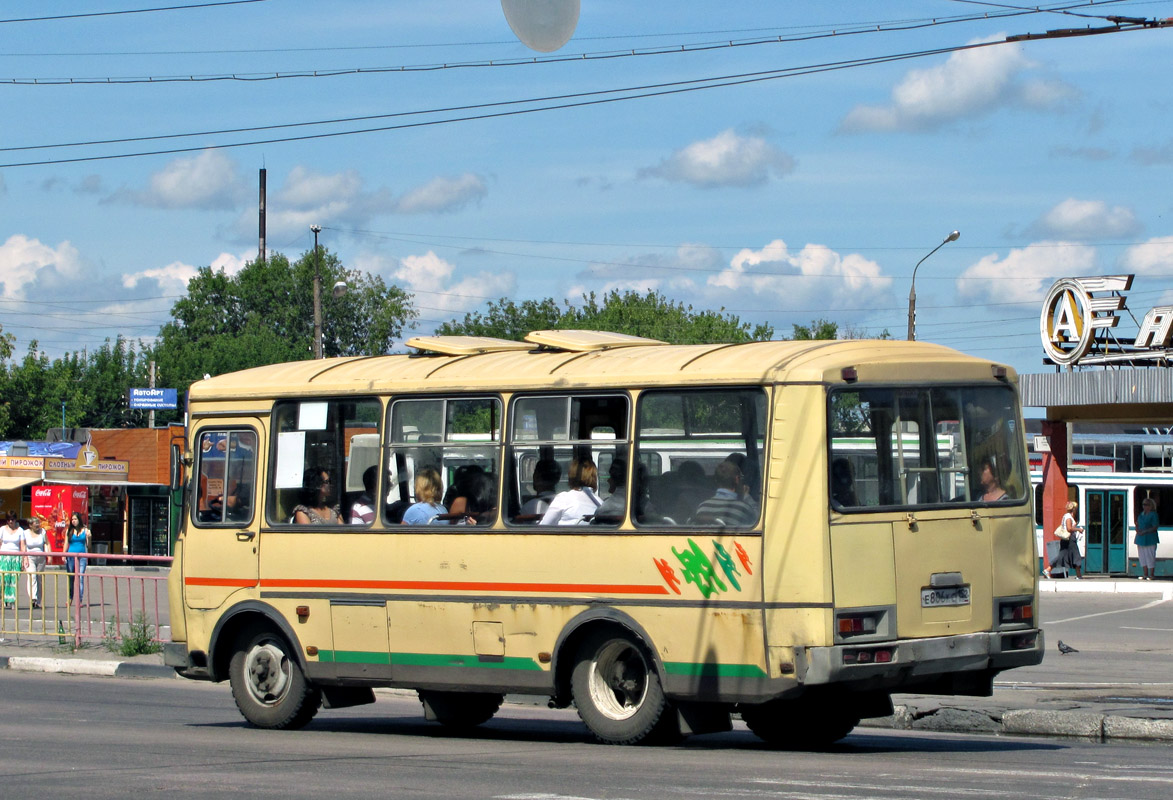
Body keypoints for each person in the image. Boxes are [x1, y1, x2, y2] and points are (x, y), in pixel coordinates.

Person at [692, 461, 758, 527]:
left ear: (716, 480)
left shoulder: (702, 507)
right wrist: (747, 496)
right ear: (737, 479)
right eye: (741, 477)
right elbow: (759, 522)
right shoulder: (743, 508)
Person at [540, 458, 601, 525]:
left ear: (571, 475)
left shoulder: (563, 499)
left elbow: (544, 526)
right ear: (594, 477)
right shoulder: (599, 503)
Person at [1046, 500, 1084, 579]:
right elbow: (1069, 529)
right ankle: (1079, 575)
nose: (1076, 510)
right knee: (1076, 556)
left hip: (1066, 540)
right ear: (1073, 509)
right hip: (1069, 539)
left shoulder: (1067, 516)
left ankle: (1047, 570)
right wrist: (1078, 529)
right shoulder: (1068, 517)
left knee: (1061, 556)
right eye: (1075, 508)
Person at [64, 511, 92, 604]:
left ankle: (79, 600)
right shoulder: (69, 531)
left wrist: (89, 537)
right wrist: (64, 554)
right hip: (71, 556)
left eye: (75, 519)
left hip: (82, 557)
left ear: (79, 520)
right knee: (71, 578)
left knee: (80, 578)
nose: (73, 521)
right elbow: (66, 543)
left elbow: (89, 546)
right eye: (72, 519)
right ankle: (70, 598)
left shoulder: (85, 530)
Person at [22, 516, 48, 609]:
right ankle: (33, 598)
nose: (38, 525)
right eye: (35, 523)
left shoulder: (42, 532)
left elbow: (46, 543)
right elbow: (23, 546)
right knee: (32, 576)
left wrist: (49, 555)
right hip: (30, 557)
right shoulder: (25, 533)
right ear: (30, 525)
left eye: (38, 523)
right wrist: (24, 558)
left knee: (39, 579)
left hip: (41, 557)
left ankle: (38, 601)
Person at [1, 512, 25, 609]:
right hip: (3, 557)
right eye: (9, 519)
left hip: (16, 557)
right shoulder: (2, 529)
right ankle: (3, 600)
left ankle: (12, 601)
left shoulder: (20, 530)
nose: (11, 521)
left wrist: (24, 559)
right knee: (3, 579)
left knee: (14, 580)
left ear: (16, 519)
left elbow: (23, 546)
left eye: (13, 519)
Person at [593, 459, 628, 523]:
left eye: (611, 477)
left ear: (616, 479)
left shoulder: (605, 509)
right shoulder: (646, 505)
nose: (608, 480)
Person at [1135, 497, 1160, 581]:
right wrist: (1137, 530)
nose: (1144, 506)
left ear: (1151, 506)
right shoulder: (1141, 514)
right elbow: (1137, 524)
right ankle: (1145, 574)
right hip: (1140, 539)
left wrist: (1145, 531)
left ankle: (1151, 574)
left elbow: (1155, 526)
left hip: (1150, 538)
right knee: (1142, 557)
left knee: (1150, 556)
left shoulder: (1153, 514)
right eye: (1143, 504)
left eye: (1146, 504)